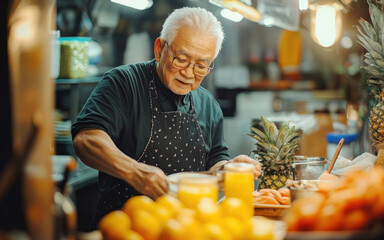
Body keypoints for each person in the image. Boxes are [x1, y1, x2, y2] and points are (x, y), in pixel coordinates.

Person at [71, 7, 262, 228]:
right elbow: (86, 140)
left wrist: (226, 169)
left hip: (186, 229)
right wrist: (133, 171)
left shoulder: (208, 104)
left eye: (201, 66)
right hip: (126, 228)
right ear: (160, 48)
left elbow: (213, 165)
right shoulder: (123, 83)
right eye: (181, 59)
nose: (189, 73)